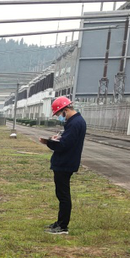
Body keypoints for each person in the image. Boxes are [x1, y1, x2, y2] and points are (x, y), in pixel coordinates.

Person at [39, 96, 86, 235]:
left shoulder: (75, 123)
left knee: (63, 195)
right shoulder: (76, 122)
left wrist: (48, 142)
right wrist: (56, 139)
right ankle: (59, 223)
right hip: (66, 162)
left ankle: (63, 226)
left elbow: (65, 145)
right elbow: (67, 141)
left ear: (65, 110)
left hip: (65, 163)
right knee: (61, 194)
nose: (60, 117)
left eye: (59, 114)